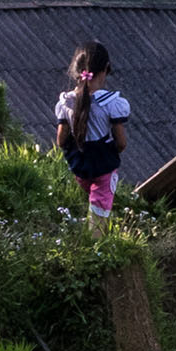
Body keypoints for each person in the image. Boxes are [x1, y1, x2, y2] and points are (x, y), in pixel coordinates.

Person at [50, 41, 128, 219]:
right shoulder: (111, 103)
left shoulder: (66, 102)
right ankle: (94, 235)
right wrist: (109, 151)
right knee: (99, 212)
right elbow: (121, 143)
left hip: (79, 163)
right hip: (103, 162)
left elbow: (61, 140)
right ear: (106, 68)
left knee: (81, 204)